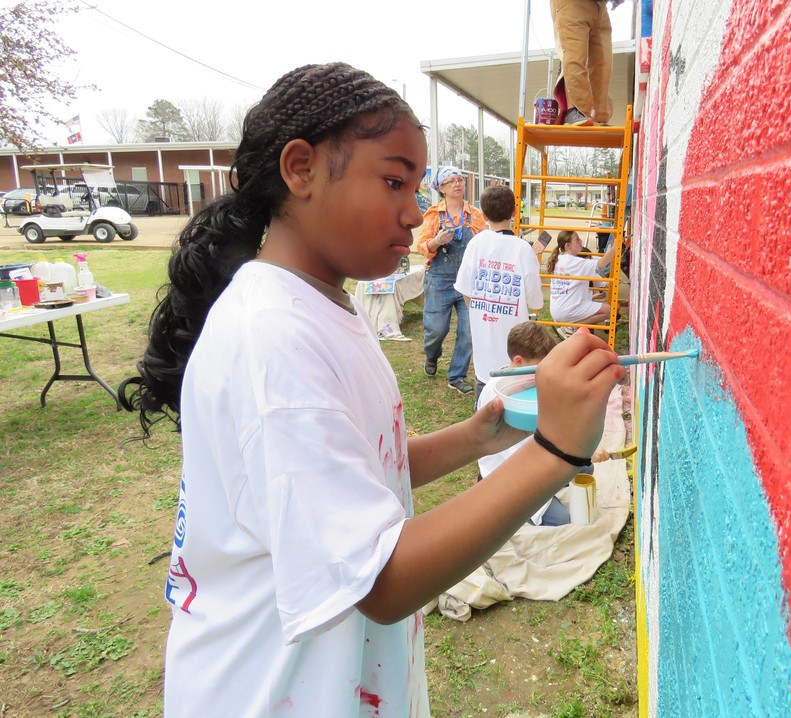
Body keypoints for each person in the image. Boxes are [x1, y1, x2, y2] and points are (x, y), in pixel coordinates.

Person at [117, 62, 623, 717]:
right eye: (392, 181)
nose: (415, 213)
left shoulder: (325, 305)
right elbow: (380, 581)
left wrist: (478, 438)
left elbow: (357, 465)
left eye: (417, 186)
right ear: (300, 169)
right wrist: (555, 452)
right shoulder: (273, 339)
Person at [478, 322, 612, 526]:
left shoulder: (525, 379)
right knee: (561, 520)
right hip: (509, 472)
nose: (541, 374)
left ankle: (550, 485)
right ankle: (512, 505)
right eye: (538, 368)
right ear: (518, 360)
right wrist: (571, 455)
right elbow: (520, 454)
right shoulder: (499, 395)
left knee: (586, 469)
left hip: (535, 457)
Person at [453, 184, 544, 400]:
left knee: (484, 396)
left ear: (483, 214)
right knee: (513, 399)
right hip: (515, 350)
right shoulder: (523, 249)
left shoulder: (475, 244)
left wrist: (479, 311)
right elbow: (536, 302)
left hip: (483, 340)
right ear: (514, 211)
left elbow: (465, 289)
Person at [415, 166, 486, 394]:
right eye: (451, 181)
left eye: (460, 180)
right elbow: (422, 247)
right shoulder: (434, 214)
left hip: (468, 280)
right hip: (439, 279)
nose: (457, 184)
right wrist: (437, 241)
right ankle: (432, 354)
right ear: (442, 188)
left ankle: (457, 376)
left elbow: (485, 243)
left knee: (468, 330)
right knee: (436, 329)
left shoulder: (475, 214)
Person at [550, 0, 625, 126]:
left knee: (602, 66)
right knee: (574, 57)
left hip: (599, 6)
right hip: (572, 4)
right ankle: (574, 111)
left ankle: (597, 116)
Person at [547, 229, 616, 332]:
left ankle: (570, 327)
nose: (580, 241)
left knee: (601, 310)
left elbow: (601, 278)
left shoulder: (558, 259)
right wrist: (615, 248)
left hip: (556, 309)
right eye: (577, 240)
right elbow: (601, 265)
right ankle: (571, 327)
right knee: (609, 311)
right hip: (569, 309)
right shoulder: (574, 262)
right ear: (568, 246)